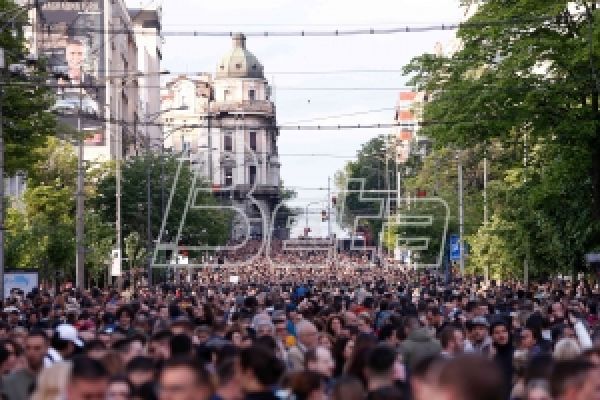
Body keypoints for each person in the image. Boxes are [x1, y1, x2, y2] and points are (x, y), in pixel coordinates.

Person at [2, 330, 48, 400]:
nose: (31, 353)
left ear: (46, 349)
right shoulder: (8, 382)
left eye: (37, 348)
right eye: (28, 348)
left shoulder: (57, 380)